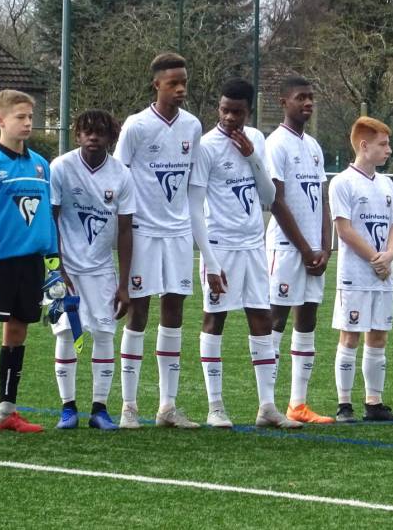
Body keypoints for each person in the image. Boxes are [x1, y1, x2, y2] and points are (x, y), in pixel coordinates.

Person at [190, 78, 301, 429]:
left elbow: (269, 196)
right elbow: (195, 208)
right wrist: (208, 259)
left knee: (261, 319)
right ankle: (215, 406)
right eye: (224, 110)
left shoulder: (257, 140)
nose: (229, 118)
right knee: (215, 318)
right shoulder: (205, 146)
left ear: (248, 111)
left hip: (253, 246)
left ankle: (267, 407)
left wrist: (251, 156)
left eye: (237, 112)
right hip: (220, 247)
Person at [113, 52, 201, 429]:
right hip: (144, 232)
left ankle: (167, 406)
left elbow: (194, 183)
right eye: (173, 83)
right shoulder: (136, 126)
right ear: (157, 85)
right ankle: (129, 406)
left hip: (178, 233)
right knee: (138, 311)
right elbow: (118, 177)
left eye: (184, 82)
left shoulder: (193, 126)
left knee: (175, 312)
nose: (180, 89)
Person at [0, 90, 55, 433]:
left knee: (17, 332)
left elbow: (47, 216)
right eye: (20, 117)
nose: (28, 122)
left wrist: (53, 261)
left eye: (30, 117)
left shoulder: (40, 164)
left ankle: (7, 410)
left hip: (30, 263)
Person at [51, 110, 134, 430]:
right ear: (78, 135)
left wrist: (123, 285)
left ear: (111, 137)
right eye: (86, 131)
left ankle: (99, 409)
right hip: (66, 269)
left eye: (100, 132)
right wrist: (57, 268)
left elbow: (126, 231)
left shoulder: (121, 176)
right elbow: (52, 221)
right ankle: (68, 408)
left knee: (103, 334)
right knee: (66, 333)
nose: (93, 137)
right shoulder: (61, 168)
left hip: (102, 271)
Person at [330, 116, 393, 423]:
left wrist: (389, 255)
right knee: (350, 336)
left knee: (379, 336)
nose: (389, 150)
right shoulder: (342, 183)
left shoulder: (387, 184)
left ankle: (374, 403)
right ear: (364, 146)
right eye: (383, 144)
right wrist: (376, 258)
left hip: (384, 274)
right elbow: (344, 229)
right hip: (356, 274)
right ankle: (344, 404)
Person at [265, 76, 333, 424]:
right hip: (286, 249)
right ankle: (269, 404)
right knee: (276, 318)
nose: (307, 103)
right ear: (284, 102)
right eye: (300, 97)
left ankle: (298, 404)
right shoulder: (275, 143)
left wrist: (326, 246)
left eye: (311, 97)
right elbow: (275, 201)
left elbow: (322, 197)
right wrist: (306, 249)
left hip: (313, 250)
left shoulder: (314, 146)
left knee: (308, 319)